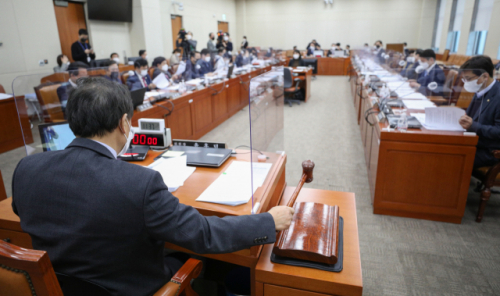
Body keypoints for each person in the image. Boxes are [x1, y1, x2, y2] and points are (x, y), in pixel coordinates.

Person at [12, 76, 294, 296]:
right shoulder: (139, 183)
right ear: (124, 124)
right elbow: (203, 235)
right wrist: (267, 221)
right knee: (192, 257)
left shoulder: (27, 168)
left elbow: (21, 209)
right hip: (132, 288)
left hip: (61, 286)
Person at [458, 56, 500, 168]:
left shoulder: (498, 95)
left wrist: (473, 125)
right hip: (473, 142)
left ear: (484, 76)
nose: (465, 83)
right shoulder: (480, 90)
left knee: (449, 156)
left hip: (489, 151)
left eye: (468, 79)